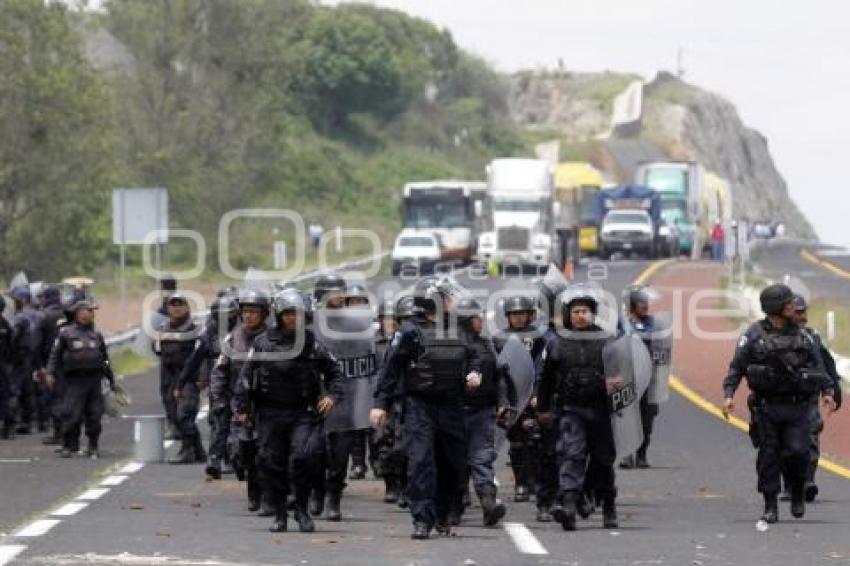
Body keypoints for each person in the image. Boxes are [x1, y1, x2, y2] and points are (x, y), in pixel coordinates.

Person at [370, 276, 482, 540]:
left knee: (452, 465)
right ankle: (422, 519)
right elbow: (391, 369)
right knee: (421, 463)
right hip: (420, 406)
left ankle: (442, 514)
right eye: (446, 296)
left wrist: (475, 373)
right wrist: (380, 404)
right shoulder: (410, 331)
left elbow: (475, 354)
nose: (452, 301)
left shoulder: (458, 329)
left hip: (452, 406)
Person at [722, 284, 837, 523]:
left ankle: (796, 491)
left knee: (798, 452)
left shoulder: (804, 336)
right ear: (775, 307)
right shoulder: (752, 335)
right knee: (768, 456)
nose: (793, 307)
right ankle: (770, 504)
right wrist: (729, 395)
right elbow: (737, 367)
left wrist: (827, 391)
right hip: (767, 407)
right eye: (787, 304)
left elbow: (819, 367)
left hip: (798, 408)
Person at [235, 288, 343, 533]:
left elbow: (335, 372)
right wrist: (243, 407)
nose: (293, 319)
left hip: (303, 413)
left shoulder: (313, 344)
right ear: (279, 315)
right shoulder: (263, 343)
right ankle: (281, 513)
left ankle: (302, 510)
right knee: (272, 463)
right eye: (288, 314)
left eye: (298, 314)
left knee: (304, 457)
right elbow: (246, 377)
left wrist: (331, 395)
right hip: (270, 414)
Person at [537, 285, 619, 531]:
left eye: (584, 311)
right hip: (571, 410)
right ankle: (569, 506)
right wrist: (542, 409)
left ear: (592, 313)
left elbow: (624, 374)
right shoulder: (556, 343)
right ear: (568, 314)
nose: (580, 315)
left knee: (603, 462)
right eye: (576, 311)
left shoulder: (608, 341)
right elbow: (546, 380)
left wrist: (617, 382)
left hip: (601, 411)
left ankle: (608, 506)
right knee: (572, 455)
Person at [210, 289, 270, 512]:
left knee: (268, 452)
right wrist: (217, 398)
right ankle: (253, 491)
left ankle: (269, 495)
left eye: (254, 312)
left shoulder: (273, 338)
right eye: (245, 311)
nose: (249, 316)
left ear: (264, 314)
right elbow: (220, 371)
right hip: (240, 406)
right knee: (243, 452)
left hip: (267, 404)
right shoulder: (232, 339)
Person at [456, 296, 512, 526]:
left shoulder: (487, 344)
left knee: (482, 458)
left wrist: (502, 401)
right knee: (457, 462)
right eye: (477, 318)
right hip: (456, 413)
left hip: (482, 411)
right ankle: (454, 506)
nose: (481, 322)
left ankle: (488, 504)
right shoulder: (453, 346)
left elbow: (499, 377)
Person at [495, 295, 550, 519]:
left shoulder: (539, 337)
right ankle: (521, 484)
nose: (517, 318)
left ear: (530, 315)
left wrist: (537, 393)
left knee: (535, 439)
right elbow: (496, 370)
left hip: (532, 396)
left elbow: (541, 366)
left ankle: (536, 482)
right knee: (517, 442)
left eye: (521, 314)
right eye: (514, 314)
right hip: (510, 396)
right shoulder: (499, 339)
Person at [176, 295, 239, 476]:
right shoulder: (208, 334)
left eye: (228, 315)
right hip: (218, 383)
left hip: (241, 381)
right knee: (218, 419)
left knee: (243, 422)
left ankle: (237, 458)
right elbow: (193, 361)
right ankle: (216, 460)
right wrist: (181, 382)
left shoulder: (244, 331)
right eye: (221, 315)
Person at [46, 300, 117, 458]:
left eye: (91, 312)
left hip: (94, 381)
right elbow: (55, 355)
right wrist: (50, 373)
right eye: (85, 311)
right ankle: (69, 445)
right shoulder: (66, 333)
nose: (89, 314)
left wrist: (111, 379)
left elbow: (104, 359)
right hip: (74, 381)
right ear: (77, 314)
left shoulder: (96, 335)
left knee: (95, 415)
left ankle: (93, 445)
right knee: (72, 414)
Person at [790, 294, 843, 502]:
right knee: (780, 443)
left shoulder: (812, 337)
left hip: (807, 397)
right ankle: (790, 482)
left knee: (810, 435)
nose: (801, 316)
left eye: (803, 311)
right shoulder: (770, 336)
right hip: (780, 399)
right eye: (797, 312)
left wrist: (832, 390)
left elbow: (825, 364)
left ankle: (807, 481)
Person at [153, 294, 203, 462]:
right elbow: (157, 350)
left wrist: (202, 376)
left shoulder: (194, 328)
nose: (176, 308)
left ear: (187, 307)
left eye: (180, 304)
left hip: (188, 377)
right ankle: (199, 451)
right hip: (168, 376)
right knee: (174, 415)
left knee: (184, 414)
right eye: (173, 305)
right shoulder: (162, 328)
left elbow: (202, 354)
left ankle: (187, 451)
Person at [620, 288, 661, 469]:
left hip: (649, 380)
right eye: (640, 302)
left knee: (647, 418)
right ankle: (627, 455)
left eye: (646, 302)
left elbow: (662, 348)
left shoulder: (654, 324)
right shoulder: (623, 325)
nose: (645, 305)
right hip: (629, 378)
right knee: (628, 418)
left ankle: (642, 454)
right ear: (632, 305)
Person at [38, 286, 66, 445]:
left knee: (54, 398)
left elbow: (37, 344)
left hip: (52, 364)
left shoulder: (45, 317)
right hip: (70, 363)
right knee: (67, 397)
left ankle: (58, 433)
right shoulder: (68, 314)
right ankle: (68, 432)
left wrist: (39, 366)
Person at [0, 296, 13, 440]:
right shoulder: (5, 324)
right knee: (5, 395)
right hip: (3, 365)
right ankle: (7, 426)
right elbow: (11, 346)